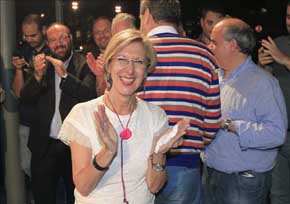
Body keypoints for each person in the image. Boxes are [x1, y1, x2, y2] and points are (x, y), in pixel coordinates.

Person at [58, 29, 190, 204]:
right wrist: (108, 152)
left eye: (138, 62)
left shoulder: (155, 116)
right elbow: (83, 186)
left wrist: (159, 153)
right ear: (109, 64)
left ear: (147, 70)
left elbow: (155, 187)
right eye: (122, 60)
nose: (130, 70)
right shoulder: (83, 113)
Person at [138, 1, 221, 203]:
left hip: (140, 165)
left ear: (147, 15)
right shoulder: (204, 55)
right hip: (186, 164)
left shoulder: (136, 54)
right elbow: (211, 124)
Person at [205, 18, 287, 204]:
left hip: (243, 181)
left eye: (215, 42)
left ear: (233, 45)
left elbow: (276, 134)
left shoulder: (262, 83)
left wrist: (229, 125)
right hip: (211, 174)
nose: (210, 46)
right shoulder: (213, 78)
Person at [19, 23, 97, 204]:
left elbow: (89, 96)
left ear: (70, 38)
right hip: (44, 145)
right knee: (42, 197)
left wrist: (65, 77)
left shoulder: (84, 63)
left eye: (62, 38)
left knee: (76, 197)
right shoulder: (41, 63)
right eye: (53, 40)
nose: (58, 44)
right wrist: (37, 77)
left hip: (74, 146)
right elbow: (25, 98)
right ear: (48, 43)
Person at [258, 1, 290, 203]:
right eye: (288, 16)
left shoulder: (281, 50)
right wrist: (263, 67)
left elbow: (283, 61)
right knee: (279, 194)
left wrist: (284, 59)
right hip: (279, 133)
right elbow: (266, 86)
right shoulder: (279, 42)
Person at [11, 14, 49, 177]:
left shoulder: (52, 51)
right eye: (26, 36)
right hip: (27, 120)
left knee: (50, 169)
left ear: (43, 30)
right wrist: (19, 70)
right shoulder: (23, 51)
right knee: (27, 166)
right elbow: (18, 93)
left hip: (48, 121)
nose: (29, 39)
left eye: (33, 35)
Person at [86, 16, 112, 96]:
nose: (102, 35)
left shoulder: (123, 56)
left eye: (106, 31)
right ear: (93, 36)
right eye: (97, 32)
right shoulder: (88, 60)